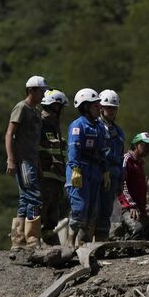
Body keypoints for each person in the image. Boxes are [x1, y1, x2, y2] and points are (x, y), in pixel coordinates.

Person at [5, 75, 48, 250]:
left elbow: (35, 142)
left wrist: (37, 163)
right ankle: (32, 239)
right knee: (34, 197)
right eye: (41, 91)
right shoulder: (21, 107)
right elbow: (9, 133)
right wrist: (11, 159)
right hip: (22, 160)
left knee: (25, 199)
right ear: (31, 90)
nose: (43, 94)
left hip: (31, 160)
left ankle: (18, 240)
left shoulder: (37, 112)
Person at [66, 88, 110, 247]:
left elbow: (103, 151)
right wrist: (75, 169)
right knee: (80, 208)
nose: (99, 108)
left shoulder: (99, 127)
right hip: (80, 171)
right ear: (85, 107)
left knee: (92, 210)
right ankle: (70, 242)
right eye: (95, 106)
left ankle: (83, 244)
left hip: (95, 172)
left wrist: (105, 171)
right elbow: (74, 148)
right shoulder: (78, 126)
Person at [39, 89, 69, 245]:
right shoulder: (40, 122)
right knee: (39, 209)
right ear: (54, 106)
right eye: (59, 107)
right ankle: (28, 242)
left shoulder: (54, 126)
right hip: (44, 175)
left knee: (52, 213)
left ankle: (50, 242)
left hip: (56, 176)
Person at [113, 132, 149, 240]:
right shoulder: (127, 159)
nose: (147, 149)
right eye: (144, 145)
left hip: (139, 208)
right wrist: (131, 205)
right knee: (138, 229)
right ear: (136, 145)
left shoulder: (140, 162)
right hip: (126, 208)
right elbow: (122, 184)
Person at [98, 89, 125, 240]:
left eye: (114, 108)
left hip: (113, 175)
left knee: (106, 212)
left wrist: (121, 179)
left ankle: (100, 243)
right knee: (92, 210)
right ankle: (82, 244)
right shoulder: (96, 127)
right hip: (98, 174)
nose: (112, 111)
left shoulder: (118, 132)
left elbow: (120, 156)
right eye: (108, 107)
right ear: (101, 107)